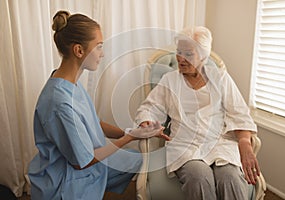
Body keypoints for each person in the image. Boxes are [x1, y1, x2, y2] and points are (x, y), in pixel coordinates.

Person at [28, 10, 170, 200]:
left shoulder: (68, 83)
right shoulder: (60, 103)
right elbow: (83, 162)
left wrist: (135, 133)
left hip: (85, 162)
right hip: (66, 181)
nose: (102, 54)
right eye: (98, 47)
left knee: (140, 160)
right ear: (79, 50)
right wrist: (130, 137)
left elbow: (94, 122)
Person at [135, 26, 261, 200]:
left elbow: (239, 113)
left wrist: (245, 142)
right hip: (185, 145)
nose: (180, 58)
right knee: (199, 177)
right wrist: (147, 122)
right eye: (179, 52)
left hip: (219, 143)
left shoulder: (221, 78)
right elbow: (150, 108)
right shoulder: (170, 80)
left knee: (230, 178)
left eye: (188, 54)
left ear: (203, 55)